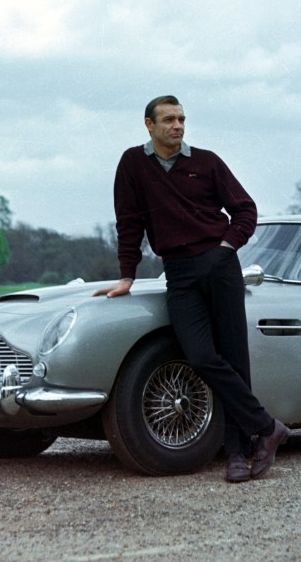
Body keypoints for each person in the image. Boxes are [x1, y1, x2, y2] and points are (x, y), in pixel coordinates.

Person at [94, 95, 290, 482]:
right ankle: (268, 429)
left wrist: (226, 247)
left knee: (234, 358)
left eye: (181, 119)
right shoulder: (133, 163)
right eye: (168, 119)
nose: (178, 125)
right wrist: (127, 276)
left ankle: (237, 453)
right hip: (179, 272)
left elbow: (245, 210)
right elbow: (129, 222)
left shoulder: (207, 162)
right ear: (149, 125)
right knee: (200, 356)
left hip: (219, 265)